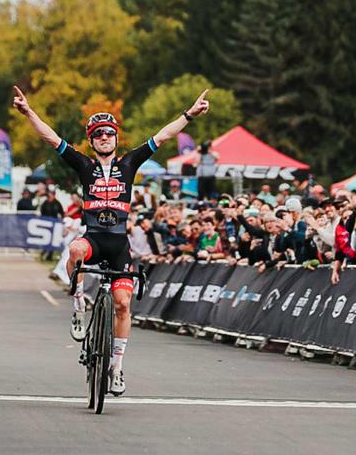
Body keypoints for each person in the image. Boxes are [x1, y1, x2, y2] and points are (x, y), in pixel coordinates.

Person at [13, 84, 210, 396]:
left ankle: (116, 367)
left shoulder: (129, 163)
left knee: (122, 304)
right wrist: (28, 112)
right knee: (75, 248)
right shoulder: (85, 165)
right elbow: (50, 137)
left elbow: (163, 135)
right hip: (93, 239)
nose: (105, 138)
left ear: (116, 138)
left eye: (109, 133)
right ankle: (78, 303)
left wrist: (189, 114)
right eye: (99, 134)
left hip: (119, 245)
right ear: (92, 141)